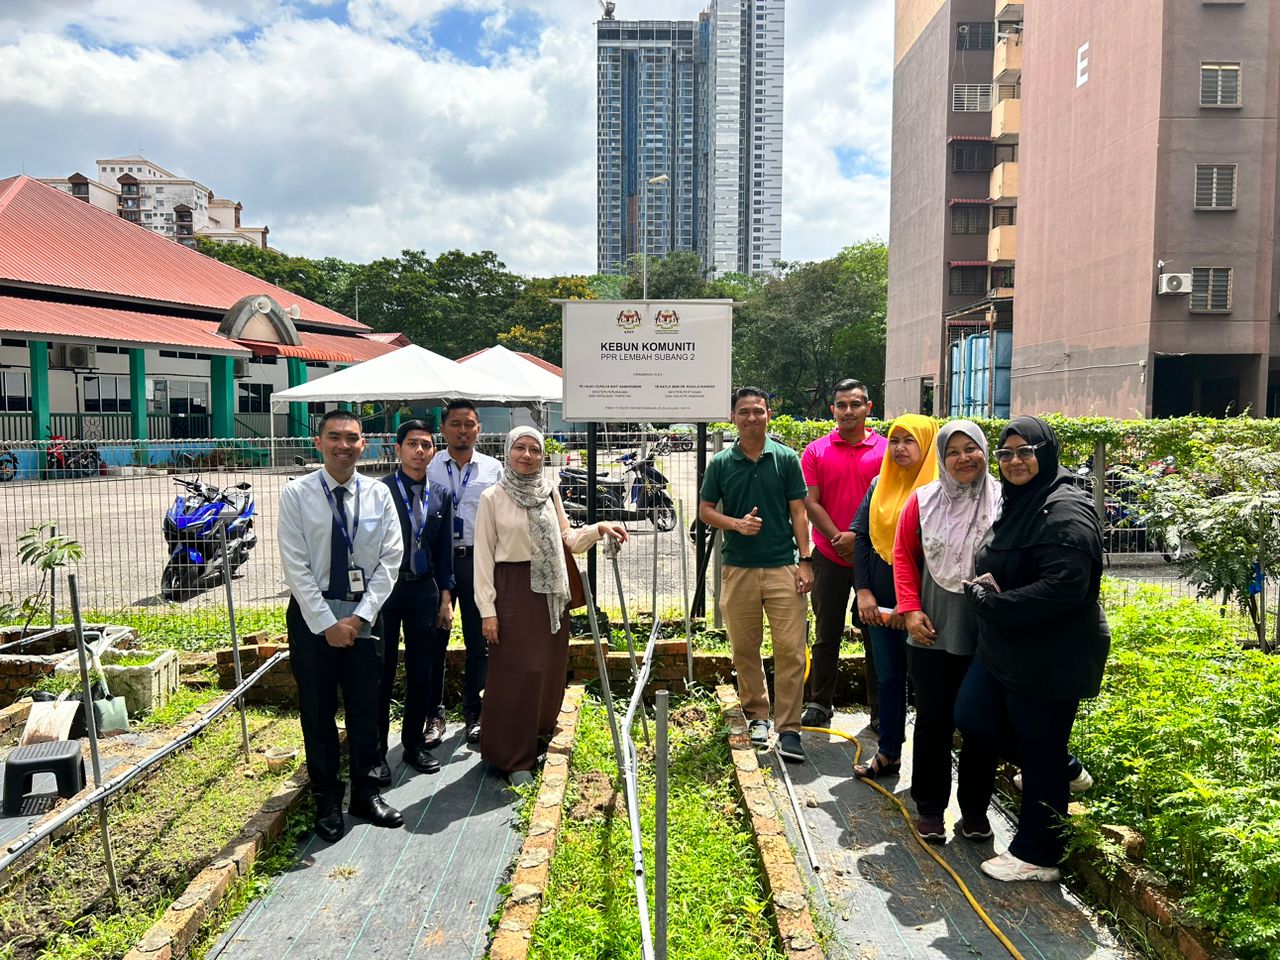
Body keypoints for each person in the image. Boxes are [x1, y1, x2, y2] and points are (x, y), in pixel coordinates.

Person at [956, 415, 1109, 882]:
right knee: (974, 716)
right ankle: (1064, 767)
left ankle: (1038, 855)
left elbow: (1067, 586)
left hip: (1050, 653)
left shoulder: (1062, 509)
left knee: (1038, 750)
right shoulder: (1022, 501)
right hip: (1008, 647)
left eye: (1026, 451)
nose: (1015, 461)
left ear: (1046, 452)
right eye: (1006, 453)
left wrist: (997, 603)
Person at [474, 426, 627, 785]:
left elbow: (568, 539)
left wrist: (600, 527)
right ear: (508, 452)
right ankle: (512, 757)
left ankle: (536, 739)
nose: (527, 456)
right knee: (517, 673)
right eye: (520, 449)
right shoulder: (492, 497)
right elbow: (482, 558)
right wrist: (488, 610)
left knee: (547, 668)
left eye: (534, 450)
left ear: (543, 455)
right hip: (511, 591)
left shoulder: (548, 491)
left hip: (549, 592)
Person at [279, 409, 404, 842]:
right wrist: (327, 623)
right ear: (319, 443)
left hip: (365, 617)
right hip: (314, 621)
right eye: (334, 436)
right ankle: (327, 798)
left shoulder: (378, 494)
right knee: (317, 711)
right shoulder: (296, 494)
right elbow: (295, 565)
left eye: (352, 437)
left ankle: (366, 795)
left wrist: (361, 615)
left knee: (368, 708)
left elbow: (391, 559)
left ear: (363, 444)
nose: (343, 445)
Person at [893, 420, 999, 843]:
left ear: (984, 451)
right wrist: (910, 609)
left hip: (987, 632)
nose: (963, 458)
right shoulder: (923, 501)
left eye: (970, 448)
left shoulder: (1005, 500)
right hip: (932, 627)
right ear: (941, 457)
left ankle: (975, 812)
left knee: (981, 723)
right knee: (934, 720)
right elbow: (903, 557)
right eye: (952, 451)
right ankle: (931, 808)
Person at [700, 386, 814, 763]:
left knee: (790, 649)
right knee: (744, 648)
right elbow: (705, 511)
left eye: (759, 411)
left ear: (769, 415)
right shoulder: (720, 463)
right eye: (744, 411)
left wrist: (806, 560)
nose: (752, 418)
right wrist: (735, 524)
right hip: (738, 569)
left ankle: (790, 728)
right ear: (733, 417)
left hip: (782, 566)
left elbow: (799, 512)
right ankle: (757, 715)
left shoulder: (785, 459)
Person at [851, 414, 938, 779]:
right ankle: (889, 752)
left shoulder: (939, 491)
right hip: (879, 606)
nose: (900, 448)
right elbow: (861, 538)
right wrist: (864, 591)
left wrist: (912, 603)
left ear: (928, 444)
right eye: (895, 440)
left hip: (923, 608)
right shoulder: (878, 484)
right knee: (888, 678)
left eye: (909, 441)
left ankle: (930, 774)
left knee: (930, 687)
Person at [800, 379, 887, 729]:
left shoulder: (886, 450)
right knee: (826, 632)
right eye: (841, 405)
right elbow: (809, 501)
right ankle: (820, 702)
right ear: (832, 409)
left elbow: (889, 503)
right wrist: (839, 537)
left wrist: (859, 538)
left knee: (876, 633)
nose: (848, 411)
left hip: (875, 556)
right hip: (829, 554)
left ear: (869, 407)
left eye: (855, 404)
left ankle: (880, 709)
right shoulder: (816, 451)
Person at [376, 420, 454, 781]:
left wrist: (445, 598)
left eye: (426, 445)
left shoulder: (440, 494)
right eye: (412, 444)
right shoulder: (380, 491)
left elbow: (444, 551)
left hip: (425, 589)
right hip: (387, 590)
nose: (419, 451)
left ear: (433, 451)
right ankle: (376, 751)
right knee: (382, 669)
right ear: (398, 449)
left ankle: (412, 744)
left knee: (422, 670)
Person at [428, 399, 503, 745]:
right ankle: (434, 715)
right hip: (437, 563)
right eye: (455, 423)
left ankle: (476, 712)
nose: (463, 430)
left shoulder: (493, 469)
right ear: (442, 429)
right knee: (433, 641)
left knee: (479, 642)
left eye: (469, 424)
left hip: (477, 561)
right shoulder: (428, 466)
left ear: (479, 429)